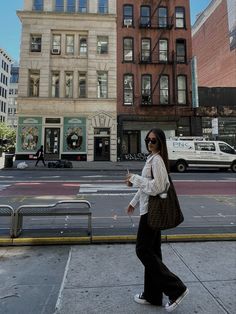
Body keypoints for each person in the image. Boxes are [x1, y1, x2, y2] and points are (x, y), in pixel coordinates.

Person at [125, 128, 188, 312]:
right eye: (148, 140)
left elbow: (158, 187)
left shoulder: (158, 160)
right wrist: (133, 202)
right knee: (153, 252)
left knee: (142, 250)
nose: (150, 143)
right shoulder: (151, 159)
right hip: (147, 209)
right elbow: (145, 186)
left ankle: (176, 289)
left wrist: (135, 178)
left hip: (152, 212)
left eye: (154, 141)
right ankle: (152, 295)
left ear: (160, 143)